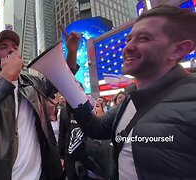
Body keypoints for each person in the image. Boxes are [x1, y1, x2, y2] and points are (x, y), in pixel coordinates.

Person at [68, 5, 196, 179]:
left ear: (179, 49)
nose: (128, 48)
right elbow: (98, 129)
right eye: (129, 39)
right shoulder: (129, 99)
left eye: (144, 38)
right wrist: (69, 86)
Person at [0, 29, 80, 180]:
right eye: (3, 47)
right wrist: (6, 75)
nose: (11, 49)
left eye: (15, 46)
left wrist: (72, 52)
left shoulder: (32, 83)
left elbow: (61, 78)